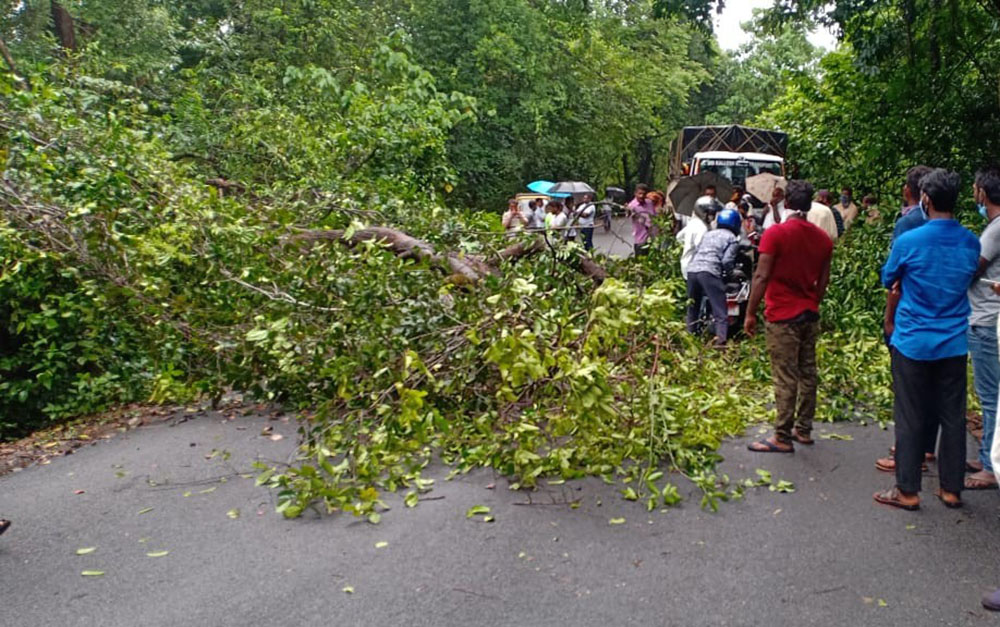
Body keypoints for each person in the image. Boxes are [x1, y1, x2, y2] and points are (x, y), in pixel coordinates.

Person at [873, 169, 980, 511]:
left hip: (914, 340)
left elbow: (888, 277)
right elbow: (968, 278)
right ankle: (951, 488)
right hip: (952, 342)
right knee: (953, 415)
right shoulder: (970, 241)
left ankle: (907, 490)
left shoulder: (909, 241)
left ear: (926, 200)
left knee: (910, 414)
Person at [744, 180, 834, 453]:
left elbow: (761, 275)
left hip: (782, 314)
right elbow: (823, 281)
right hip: (809, 313)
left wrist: (750, 313)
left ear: (788, 203)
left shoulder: (775, 234)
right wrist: (811, 302)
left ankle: (781, 436)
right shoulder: (822, 239)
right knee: (808, 372)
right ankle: (803, 429)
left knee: (785, 375)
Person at [876, 165, 935, 473]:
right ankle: (925, 449)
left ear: (912, 191)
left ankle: (906, 454)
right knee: (933, 388)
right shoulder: (956, 231)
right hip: (942, 322)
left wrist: (889, 318)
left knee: (909, 387)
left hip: (911, 315)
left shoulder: (908, 224)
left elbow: (894, 277)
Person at [965, 167, 1000, 490]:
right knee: (990, 394)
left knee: (990, 396)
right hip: (990, 318)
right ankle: (986, 452)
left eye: (976, 189)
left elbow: (974, 267)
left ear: (983, 194)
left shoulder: (995, 229)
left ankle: (990, 467)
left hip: (985, 320)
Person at [685, 208, 741, 346]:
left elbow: (698, 250)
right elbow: (727, 261)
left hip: (692, 270)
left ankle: (689, 340)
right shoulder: (732, 239)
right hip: (709, 272)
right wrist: (731, 274)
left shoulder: (709, 234)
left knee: (693, 307)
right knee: (720, 310)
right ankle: (721, 342)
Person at [678, 194, 718, 278]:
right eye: (710, 213)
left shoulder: (694, 223)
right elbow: (703, 248)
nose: (713, 216)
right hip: (696, 268)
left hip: (688, 264)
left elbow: (679, 237)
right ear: (702, 212)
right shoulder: (701, 228)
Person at [627, 183, 657, 256]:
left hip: (652, 239)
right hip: (640, 240)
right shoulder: (632, 206)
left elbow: (654, 217)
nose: (641, 196)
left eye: (644, 194)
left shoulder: (649, 203)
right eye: (639, 193)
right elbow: (628, 215)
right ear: (635, 193)